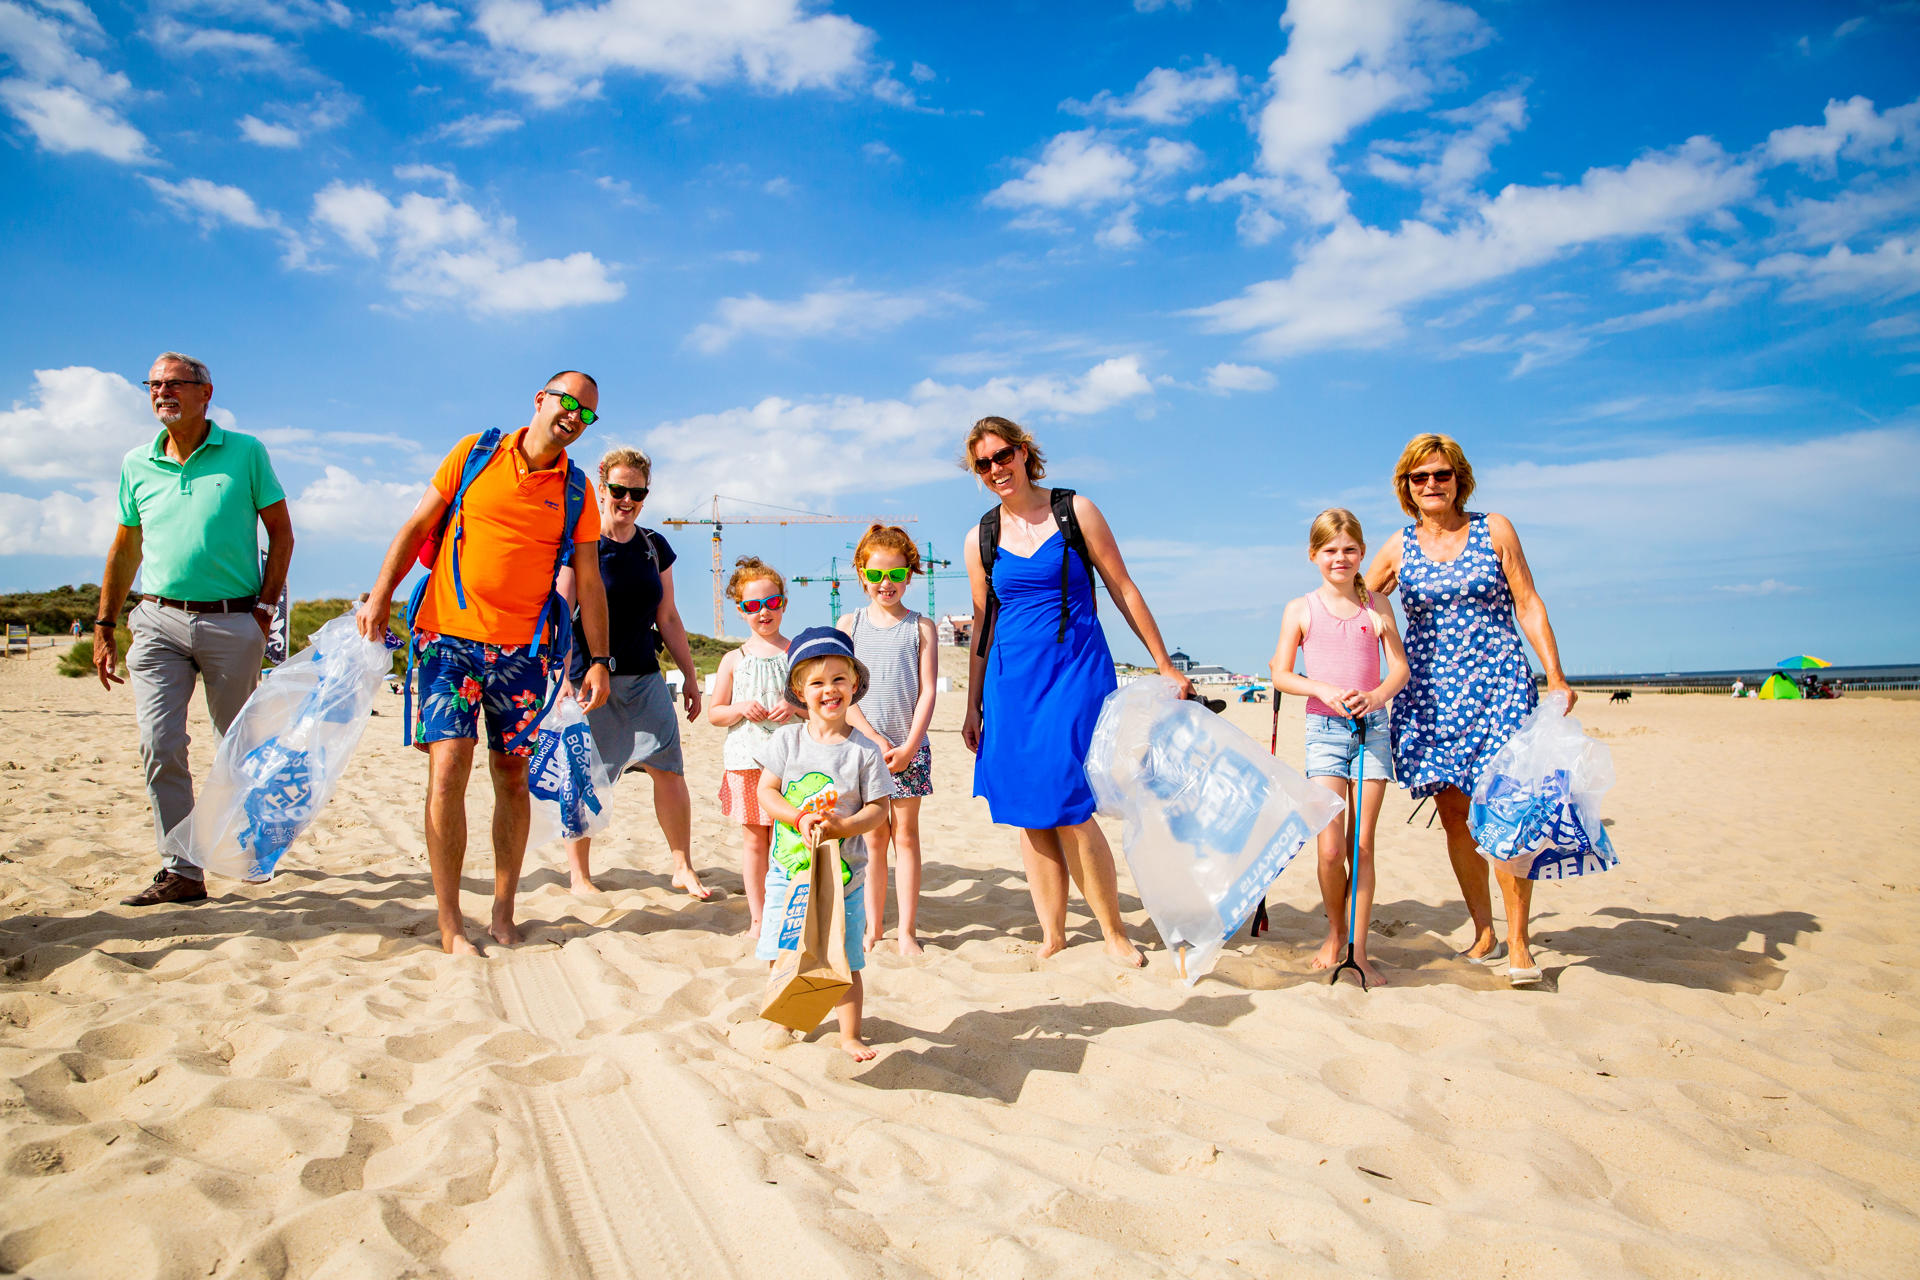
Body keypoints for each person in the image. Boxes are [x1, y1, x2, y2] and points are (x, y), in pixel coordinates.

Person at [357, 372, 611, 955]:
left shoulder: (576, 491)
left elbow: (590, 581)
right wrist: (380, 595)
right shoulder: (475, 452)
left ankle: (502, 910)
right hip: (447, 639)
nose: (574, 416)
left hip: (523, 653)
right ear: (541, 399)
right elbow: (417, 526)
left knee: (512, 777)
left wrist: (598, 658)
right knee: (448, 768)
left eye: (587, 414)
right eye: (567, 402)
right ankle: (450, 924)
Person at [959, 416, 1192, 968]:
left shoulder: (1074, 509)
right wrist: (973, 703)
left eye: (1003, 455)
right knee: (1027, 808)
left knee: (1067, 801)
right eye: (983, 463)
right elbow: (982, 624)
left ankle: (1112, 931)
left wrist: (1164, 664)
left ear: (1023, 452)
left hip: (1074, 672)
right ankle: (1053, 932)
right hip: (1011, 684)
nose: (996, 469)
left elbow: (1122, 586)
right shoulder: (980, 536)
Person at [1365, 433, 1575, 988]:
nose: (1432, 484)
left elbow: (1528, 603)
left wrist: (1554, 675)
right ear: (1406, 486)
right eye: (1420, 477)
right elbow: (1355, 604)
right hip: (1432, 695)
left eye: (1442, 474)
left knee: (1508, 813)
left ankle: (1521, 941)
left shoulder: (1494, 529)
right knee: (1457, 818)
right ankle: (1484, 931)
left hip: (1500, 686)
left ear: (1460, 479)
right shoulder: (1397, 548)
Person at [95, 352, 294, 907]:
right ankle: (181, 871)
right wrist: (104, 622)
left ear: (205, 392)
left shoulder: (246, 452)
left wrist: (264, 607)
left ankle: (249, 844)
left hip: (234, 619)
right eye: (154, 384)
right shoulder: (137, 462)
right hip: (156, 619)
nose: (162, 393)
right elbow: (125, 546)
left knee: (239, 747)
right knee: (160, 744)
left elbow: (281, 532)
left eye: (174, 384)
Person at [553, 447, 707, 899]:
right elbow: (564, 612)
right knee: (584, 775)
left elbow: (670, 617)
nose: (627, 499)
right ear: (602, 488)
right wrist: (562, 679)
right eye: (618, 490)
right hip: (587, 680)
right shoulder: (580, 546)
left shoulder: (653, 546)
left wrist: (692, 680)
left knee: (669, 770)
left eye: (637, 493)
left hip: (644, 676)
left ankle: (682, 866)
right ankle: (579, 876)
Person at [1268, 509, 1410, 986]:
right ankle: (1334, 932)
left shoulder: (1378, 607)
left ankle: (1358, 949)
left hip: (1373, 732)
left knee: (1361, 844)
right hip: (1323, 733)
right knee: (1330, 849)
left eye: (1349, 549)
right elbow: (1281, 674)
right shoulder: (1300, 608)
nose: (1340, 558)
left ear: (1361, 553)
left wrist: (1374, 697)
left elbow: (1399, 671)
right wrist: (1322, 688)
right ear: (1314, 555)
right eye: (1330, 550)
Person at [755, 627, 893, 1061]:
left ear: (854, 685)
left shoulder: (864, 752)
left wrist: (843, 826)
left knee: (844, 958)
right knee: (784, 948)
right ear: (799, 690)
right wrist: (797, 817)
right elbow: (767, 793)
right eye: (816, 682)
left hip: (844, 880)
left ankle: (849, 1033)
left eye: (839, 679)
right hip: (787, 874)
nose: (829, 690)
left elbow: (879, 811)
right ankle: (784, 1018)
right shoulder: (786, 740)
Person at [838, 524, 939, 956]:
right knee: (874, 839)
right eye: (877, 575)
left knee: (907, 837)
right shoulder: (850, 623)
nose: (886, 584)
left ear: (909, 577)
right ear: (862, 574)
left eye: (896, 575)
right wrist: (875, 738)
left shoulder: (921, 627)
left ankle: (907, 931)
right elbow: (842, 691)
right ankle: (874, 928)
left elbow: (928, 689)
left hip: (910, 748)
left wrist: (911, 744)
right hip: (863, 750)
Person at [706, 557, 793, 936]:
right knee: (756, 840)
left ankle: (790, 909)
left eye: (771, 603)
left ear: (783, 604)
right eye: (753, 606)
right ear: (741, 611)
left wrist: (796, 706)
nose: (763, 613)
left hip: (792, 762)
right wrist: (739, 707)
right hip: (746, 761)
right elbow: (715, 713)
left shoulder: (798, 653)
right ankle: (759, 917)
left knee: (790, 841)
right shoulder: (733, 659)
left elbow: (819, 702)